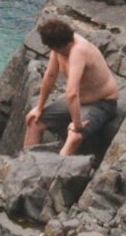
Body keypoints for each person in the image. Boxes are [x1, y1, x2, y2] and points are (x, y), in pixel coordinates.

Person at [25, 15, 121, 157]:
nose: (62, 53)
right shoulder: (58, 47)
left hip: (102, 103)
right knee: (34, 122)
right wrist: (39, 108)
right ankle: (28, 163)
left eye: (64, 49)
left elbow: (71, 93)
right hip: (77, 101)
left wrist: (77, 125)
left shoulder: (78, 51)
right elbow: (50, 76)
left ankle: (56, 174)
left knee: (74, 136)